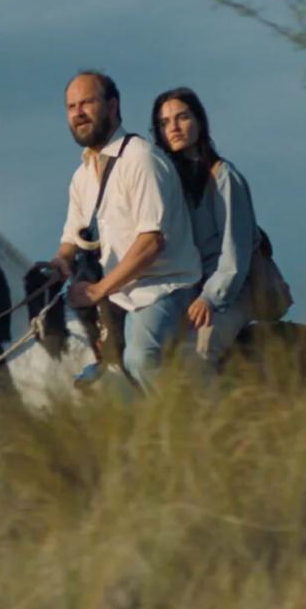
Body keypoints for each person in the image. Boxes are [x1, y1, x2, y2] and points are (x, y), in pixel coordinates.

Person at [47, 71, 201, 391]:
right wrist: (59, 264)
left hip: (160, 289)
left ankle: (186, 431)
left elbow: (151, 242)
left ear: (113, 106)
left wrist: (98, 290)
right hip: (116, 293)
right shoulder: (81, 177)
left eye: (87, 102)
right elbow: (69, 242)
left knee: (140, 359)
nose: (78, 113)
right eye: (71, 106)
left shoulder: (140, 159)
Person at [151, 87, 259, 368]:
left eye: (182, 117)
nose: (173, 127)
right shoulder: (169, 185)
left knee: (194, 356)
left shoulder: (224, 178)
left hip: (228, 292)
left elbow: (234, 256)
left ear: (199, 121)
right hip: (187, 289)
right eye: (164, 123)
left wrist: (210, 298)